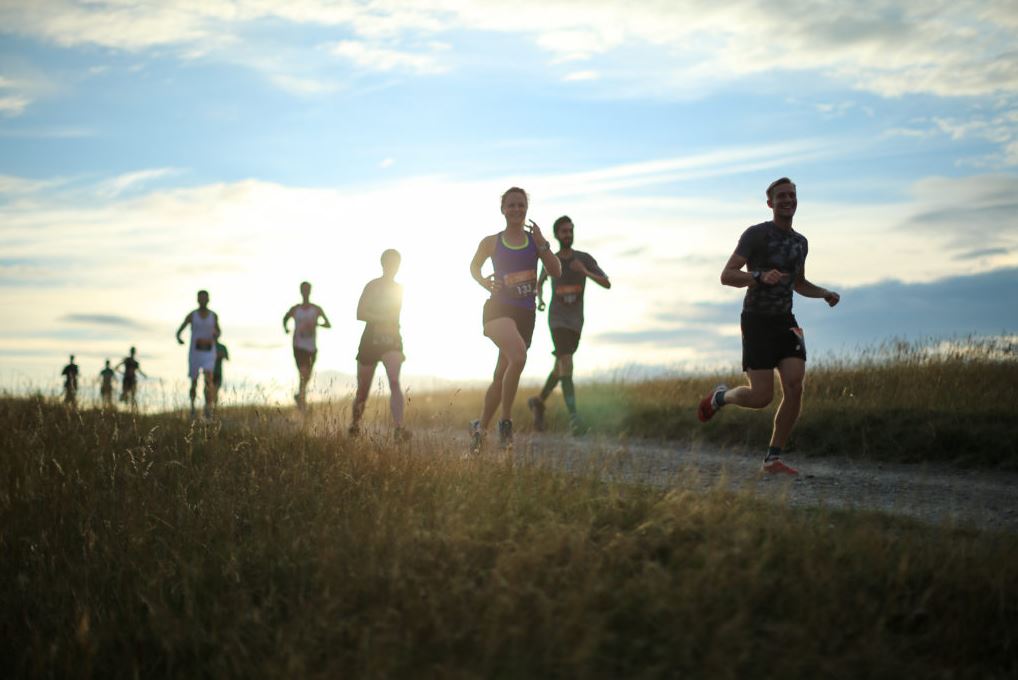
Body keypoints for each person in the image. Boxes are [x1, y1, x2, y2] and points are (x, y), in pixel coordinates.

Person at [697, 178, 841, 475]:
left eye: (792, 195)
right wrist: (759, 276)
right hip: (756, 320)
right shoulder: (756, 234)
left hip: (785, 320)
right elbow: (727, 275)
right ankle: (721, 397)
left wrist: (823, 293)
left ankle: (773, 458)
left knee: (795, 384)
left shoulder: (801, 243)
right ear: (770, 203)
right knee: (761, 397)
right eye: (781, 196)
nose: (788, 200)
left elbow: (798, 283)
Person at [469, 187, 562, 451]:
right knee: (519, 357)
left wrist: (543, 243)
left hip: (525, 315)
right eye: (511, 205)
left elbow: (555, 270)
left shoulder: (535, 242)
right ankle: (505, 424)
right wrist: (484, 281)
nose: (516, 210)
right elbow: (474, 266)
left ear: (526, 209)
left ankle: (479, 429)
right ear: (503, 209)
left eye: (521, 205)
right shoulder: (491, 241)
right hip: (498, 311)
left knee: (501, 375)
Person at [528, 215, 611, 433]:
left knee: (560, 367)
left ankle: (538, 401)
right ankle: (575, 419)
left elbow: (607, 283)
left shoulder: (584, 258)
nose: (568, 234)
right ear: (556, 235)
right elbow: (540, 281)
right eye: (564, 231)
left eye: (570, 230)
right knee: (567, 363)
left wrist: (584, 271)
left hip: (576, 321)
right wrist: (540, 299)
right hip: (556, 319)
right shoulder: (551, 260)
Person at [349, 249, 407, 439]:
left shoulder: (400, 288)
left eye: (396, 263)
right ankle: (355, 425)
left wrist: (389, 323)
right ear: (382, 264)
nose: (393, 267)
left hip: (392, 339)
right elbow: (360, 313)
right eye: (389, 263)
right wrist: (381, 318)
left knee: (394, 381)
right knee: (363, 391)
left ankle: (399, 428)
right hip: (370, 340)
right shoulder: (372, 286)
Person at [282, 281, 332, 410]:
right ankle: (302, 401)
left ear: (310, 291)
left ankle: (300, 397)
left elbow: (328, 324)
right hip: (298, 346)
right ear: (301, 291)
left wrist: (317, 324)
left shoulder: (316, 309)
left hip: (312, 348)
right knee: (303, 373)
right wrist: (286, 329)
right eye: (303, 290)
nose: (305, 292)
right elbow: (285, 318)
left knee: (307, 376)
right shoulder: (295, 309)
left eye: (307, 290)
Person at [176, 290, 221, 419]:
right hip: (195, 352)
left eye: (205, 298)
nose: (202, 300)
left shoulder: (213, 316)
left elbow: (219, 331)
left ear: (208, 300)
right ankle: (192, 408)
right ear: (197, 299)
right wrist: (179, 337)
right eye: (200, 298)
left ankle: (207, 410)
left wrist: (215, 335)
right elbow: (180, 329)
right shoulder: (192, 315)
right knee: (194, 381)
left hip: (208, 352)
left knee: (208, 380)